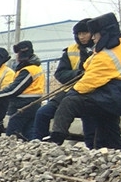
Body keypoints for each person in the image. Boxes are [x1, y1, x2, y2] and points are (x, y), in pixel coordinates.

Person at [49, 12, 121, 150]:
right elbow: (89, 66)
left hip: (115, 95)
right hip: (116, 97)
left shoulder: (106, 56)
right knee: (107, 126)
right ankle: (115, 152)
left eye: (95, 35)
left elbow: (86, 84)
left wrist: (71, 93)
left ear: (104, 33)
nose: (94, 39)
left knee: (70, 102)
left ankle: (56, 140)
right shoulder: (120, 46)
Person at [32, 19, 96, 147]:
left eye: (85, 33)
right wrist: (77, 74)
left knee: (90, 126)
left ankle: (92, 153)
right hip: (69, 92)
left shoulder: (100, 49)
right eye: (79, 34)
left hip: (91, 94)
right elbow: (60, 73)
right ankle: (39, 145)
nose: (82, 37)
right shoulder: (70, 51)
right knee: (42, 113)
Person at [0, 40, 46, 140]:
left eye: (18, 53)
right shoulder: (34, 68)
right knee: (29, 133)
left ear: (22, 54)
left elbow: (14, 90)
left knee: (11, 135)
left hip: (23, 106)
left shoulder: (28, 70)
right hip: (33, 105)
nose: (16, 57)